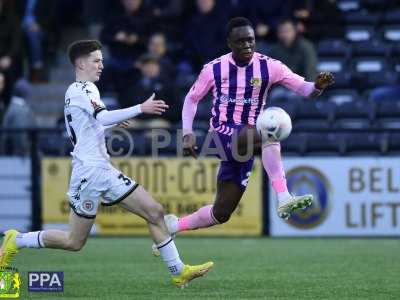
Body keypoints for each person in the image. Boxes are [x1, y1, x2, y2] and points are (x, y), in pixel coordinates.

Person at [0, 39, 213, 288]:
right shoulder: (83, 89)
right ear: (80, 63)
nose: (101, 65)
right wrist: (140, 108)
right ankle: (18, 240)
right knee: (74, 241)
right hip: (89, 173)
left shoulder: (78, 90)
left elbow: (91, 124)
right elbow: (102, 116)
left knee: (154, 211)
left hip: (101, 169)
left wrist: (111, 123)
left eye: (101, 60)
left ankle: (179, 271)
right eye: (96, 60)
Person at [161, 17, 334, 238]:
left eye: (250, 40)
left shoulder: (270, 66)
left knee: (221, 213)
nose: (247, 45)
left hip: (248, 141)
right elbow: (191, 99)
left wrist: (318, 86)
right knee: (270, 133)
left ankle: (173, 226)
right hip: (221, 135)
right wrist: (187, 133)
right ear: (229, 43)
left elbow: (304, 89)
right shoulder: (214, 69)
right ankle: (283, 197)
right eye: (240, 41)